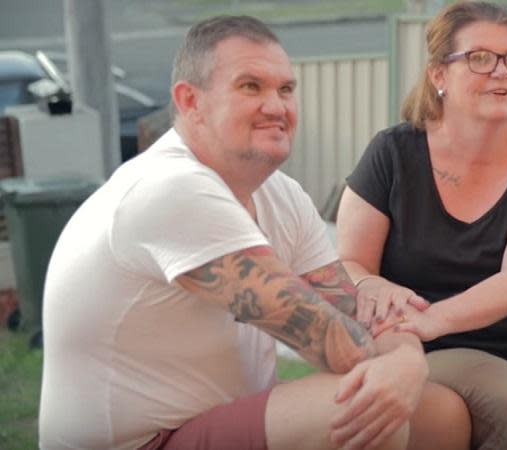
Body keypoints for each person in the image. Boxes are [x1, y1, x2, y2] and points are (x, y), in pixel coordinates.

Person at [38, 15, 470, 450]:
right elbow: (333, 341)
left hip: (213, 418)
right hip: (140, 441)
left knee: (440, 414)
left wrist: (401, 359)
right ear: (191, 102)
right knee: (364, 406)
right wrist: (408, 361)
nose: (276, 106)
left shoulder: (281, 194)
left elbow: (352, 308)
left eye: (285, 89)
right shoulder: (171, 188)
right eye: (250, 86)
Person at [336, 2, 507, 449]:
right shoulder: (392, 153)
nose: (502, 72)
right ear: (438, 75)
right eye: (480, 58)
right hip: (416, 352)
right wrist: (370, 285)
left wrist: (432, 319)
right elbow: (351, 261)